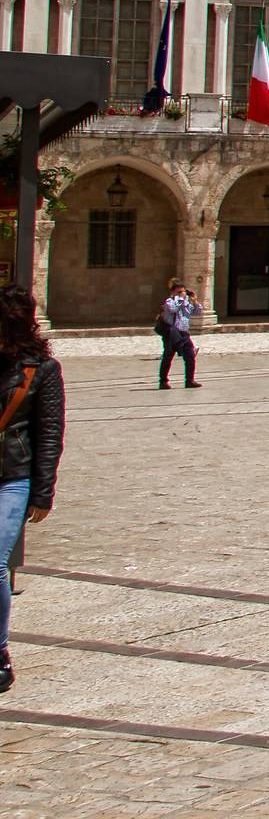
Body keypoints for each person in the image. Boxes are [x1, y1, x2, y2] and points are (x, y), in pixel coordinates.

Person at [0, 289, 65, 695]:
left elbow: (49, 433)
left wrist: (42, 492)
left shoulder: (41, 370)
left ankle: (0, 652)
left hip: (12, 476)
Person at [155, 279, 200, 390]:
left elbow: (197, 312)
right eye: (179, 292)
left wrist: (195, 302)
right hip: (172, 334)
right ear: (173, 293)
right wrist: (180, 298)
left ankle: (189, 380)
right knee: (168, 357)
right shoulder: (169, 302)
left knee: (190, 357)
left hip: (184, 334)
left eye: (183, 291)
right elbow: (173, 309)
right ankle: (163, 382)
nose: (182, 294)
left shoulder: (185, 303)